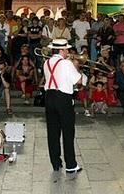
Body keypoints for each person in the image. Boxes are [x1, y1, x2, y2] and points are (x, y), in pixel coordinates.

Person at [43, 38, 82, 178]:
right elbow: (78, 81)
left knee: (52, 131)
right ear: (61, 50)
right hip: (63, 98)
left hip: (49, 97)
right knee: (68, 132)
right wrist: (77, 65)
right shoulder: (66, 63)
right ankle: (71, 165)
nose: (68, 52)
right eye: (66, 49)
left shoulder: (46, 62)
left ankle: (56, 163)